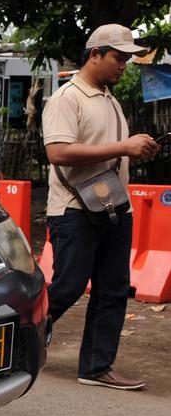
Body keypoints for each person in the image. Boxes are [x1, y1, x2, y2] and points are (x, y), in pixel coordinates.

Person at [42, 24, 158, 391]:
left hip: (113, 208)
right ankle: (16, 339)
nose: (124, 65)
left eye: (127, 59)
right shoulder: (66, 98)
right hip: (74, 209)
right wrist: (123, 148)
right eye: (119, 57)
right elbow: (57, 152)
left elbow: (106, 151)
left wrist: (136, 148)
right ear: (95, 54)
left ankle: (95, 367)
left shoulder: (109, 99)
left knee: (113, 289)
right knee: (67, 287)